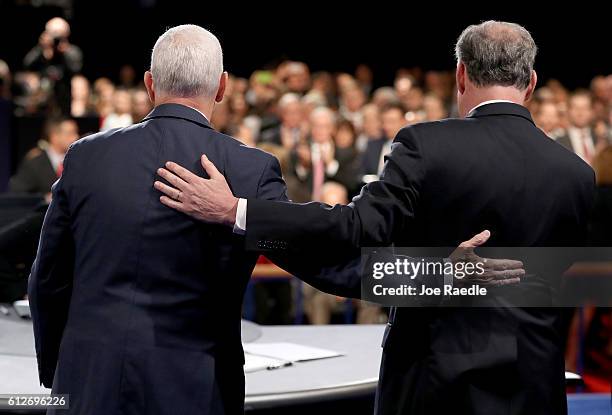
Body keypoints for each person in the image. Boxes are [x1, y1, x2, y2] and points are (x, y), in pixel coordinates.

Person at [157, 21, 594, 415]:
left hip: (436, 384)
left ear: (460, 74)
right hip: (535, 383)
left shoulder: (428, 145)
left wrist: (237, 211)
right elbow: (558, 279)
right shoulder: (578, 175)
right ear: (532, 82)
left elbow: (356, 229)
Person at [27, 25, 286, 415]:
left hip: (86, 384)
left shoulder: (84, 156)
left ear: (150, 84)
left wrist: (59, 368)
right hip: (195, 388)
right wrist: (408, 282)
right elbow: (305, 251)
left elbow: (47, 278)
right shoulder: (252, 169)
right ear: (221, 87)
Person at [23, 17, 83, 115]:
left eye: (59, 34)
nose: (56, 37)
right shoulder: (42, 51)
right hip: (43, 100)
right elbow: (27, 64)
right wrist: (41, 48)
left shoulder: (72, 51)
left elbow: (75, 69)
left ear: (66, 34)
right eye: (53, 33)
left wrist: (63, 52)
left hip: (64, 98)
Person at [9, 117, 79, 198]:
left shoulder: (80, 161)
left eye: (76, 132)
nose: (76, 137)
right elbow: (17, 193)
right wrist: (44, 198)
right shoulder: (35, 163)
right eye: (70, 133)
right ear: (54, 137)